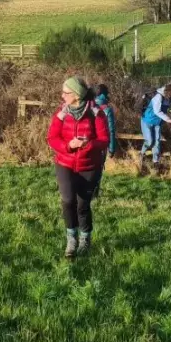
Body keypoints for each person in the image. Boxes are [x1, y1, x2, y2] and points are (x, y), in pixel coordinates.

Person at [46, 77, 109, 259]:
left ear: (76, 95)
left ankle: (85, 239)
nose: (62, 95)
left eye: (65, 93)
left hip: (89, 166)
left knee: (83, 205)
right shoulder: (61, 112)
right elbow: (52, 138)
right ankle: (71, 239)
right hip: (65, 163)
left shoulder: (96, 113)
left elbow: (104, 140)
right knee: (67, 201)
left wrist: (87, 144)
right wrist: (69, 146)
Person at [140, 83, 171, 173]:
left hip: (157, 123)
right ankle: (142, 153)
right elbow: (157, 111)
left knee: (157, 142)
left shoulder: (167, 98)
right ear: (168, 92)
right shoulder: (158, 97)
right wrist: (168, 119)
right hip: (147, 121)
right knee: (150, 141)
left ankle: (155, 162)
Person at [93, 84, 117, 198]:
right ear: (105, 94)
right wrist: (112, 148)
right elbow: (111, 130)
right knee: (98, 169)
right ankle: (94, 193)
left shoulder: (87, 105)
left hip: (87, 142)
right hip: (101, 144)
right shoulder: (107, 109)